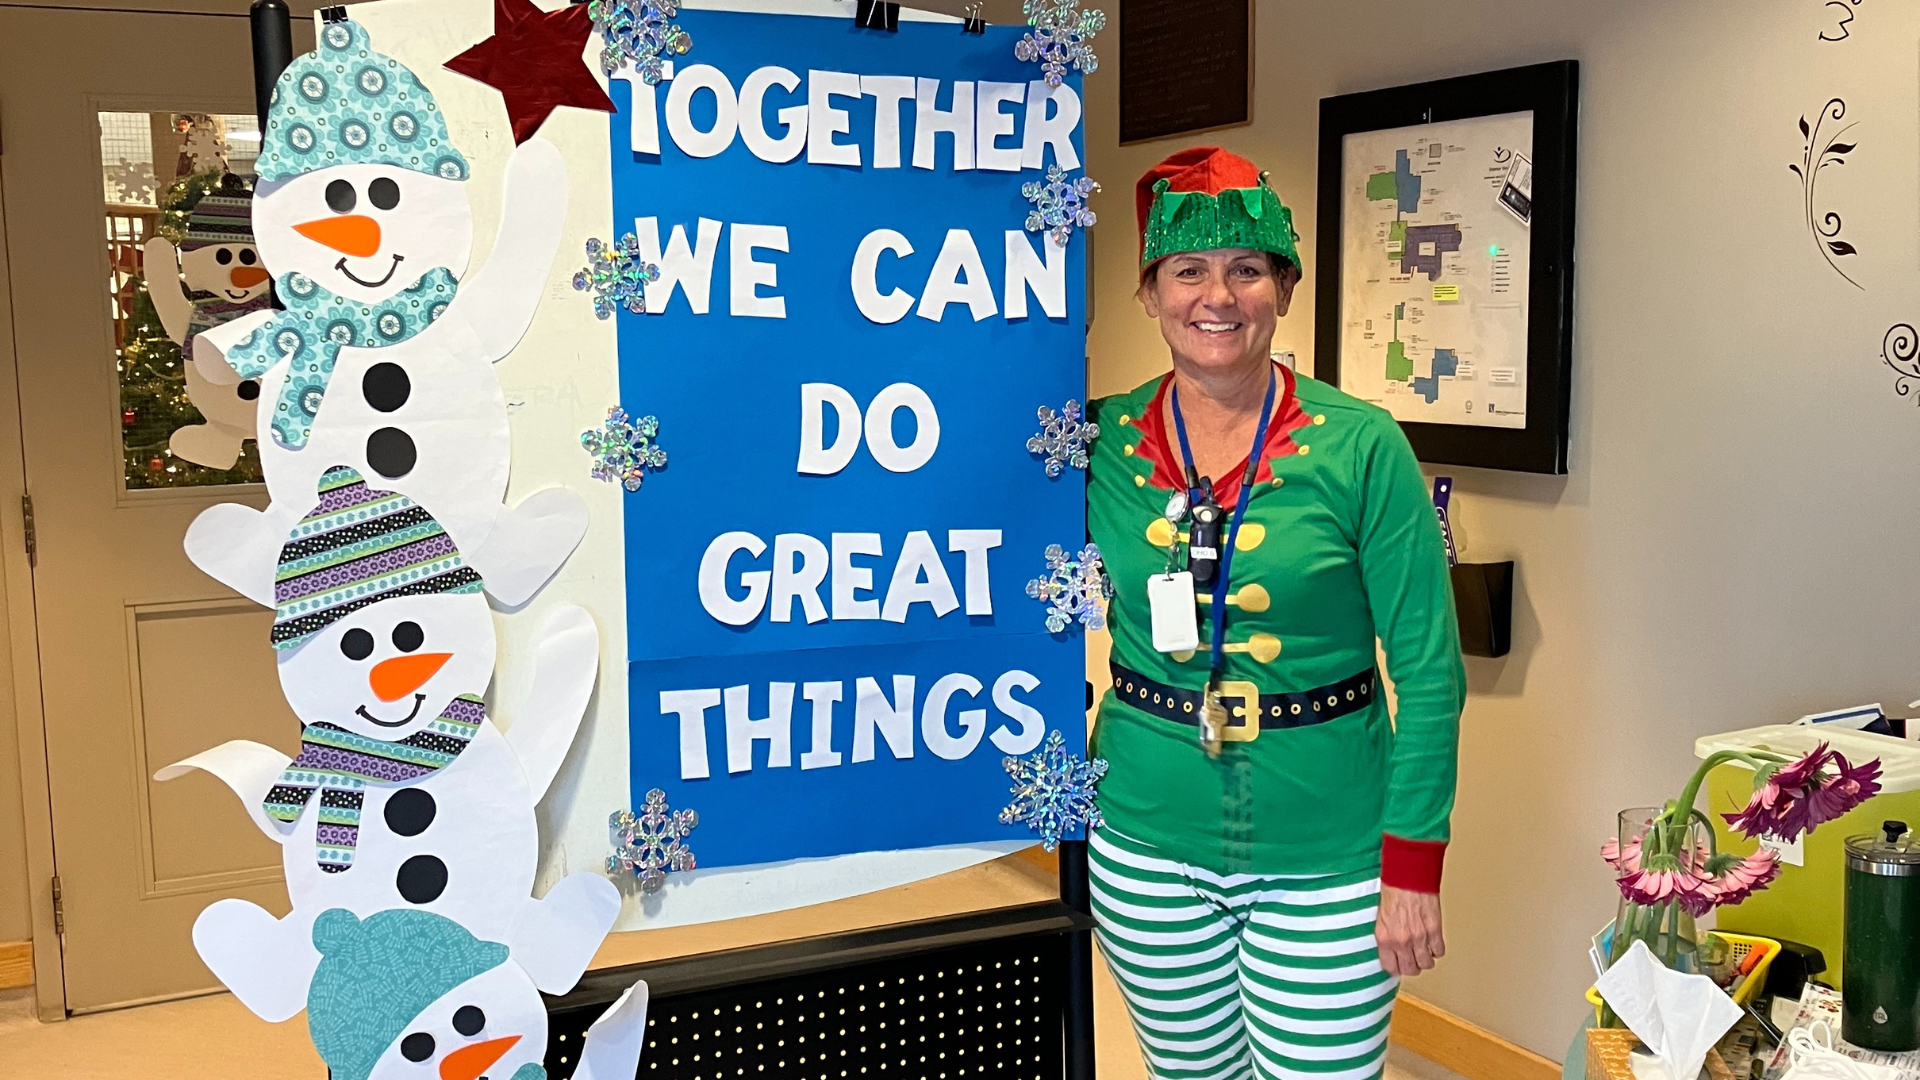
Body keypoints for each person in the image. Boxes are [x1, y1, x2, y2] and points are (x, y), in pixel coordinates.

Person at [1085, 146, 1465, 1080]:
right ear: (1149, 293)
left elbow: (1428, 671)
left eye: (1247, 270)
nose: (1218, 296)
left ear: (1283, 289)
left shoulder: (1362, 445)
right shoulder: (1090, 441)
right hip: (1143, 838)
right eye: (1189, 271)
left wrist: (1412, 865)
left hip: (1328, 852)